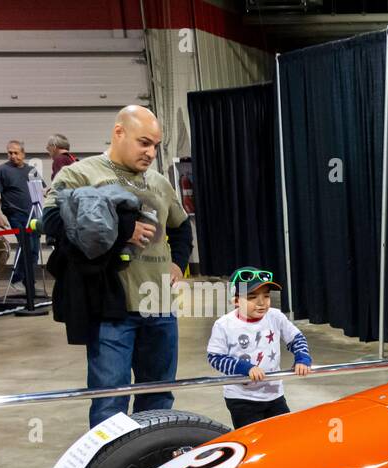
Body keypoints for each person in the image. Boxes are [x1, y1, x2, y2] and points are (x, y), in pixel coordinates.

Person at [42, 106, 193, 428]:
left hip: (159, 305)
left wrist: (178, 263)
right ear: (119, 133)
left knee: (158, 395)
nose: (151, 152)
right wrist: (123, 229)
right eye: (144, 143)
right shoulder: (80, 174)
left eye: (155, 145)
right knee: (110, 400)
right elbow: (52, 222)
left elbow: (181, 227)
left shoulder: (159, 182)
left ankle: (153, 464)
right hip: (111, 308)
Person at [207, 267, 312, 428]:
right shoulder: (224, 324)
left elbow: (296, 338)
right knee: (253, 441)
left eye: (266, 296)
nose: (261, 302)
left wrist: (302, 358)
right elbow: (215, 357)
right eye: (252, 297)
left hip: (274, 394)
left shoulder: (275, 316)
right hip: (242, 398)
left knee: (284, 435)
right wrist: (245, 368)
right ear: (235, 300)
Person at [0, 140, 42, 297]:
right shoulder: (2, 170)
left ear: (23, 154)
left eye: (16, 153)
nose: (12, 156)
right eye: (10, 153)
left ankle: (29, 283)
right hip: (15, 213)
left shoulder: (31, 170)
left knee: (33, 250)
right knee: (26, 245)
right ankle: (16, 279)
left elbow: (40, 189)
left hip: (32, 214)